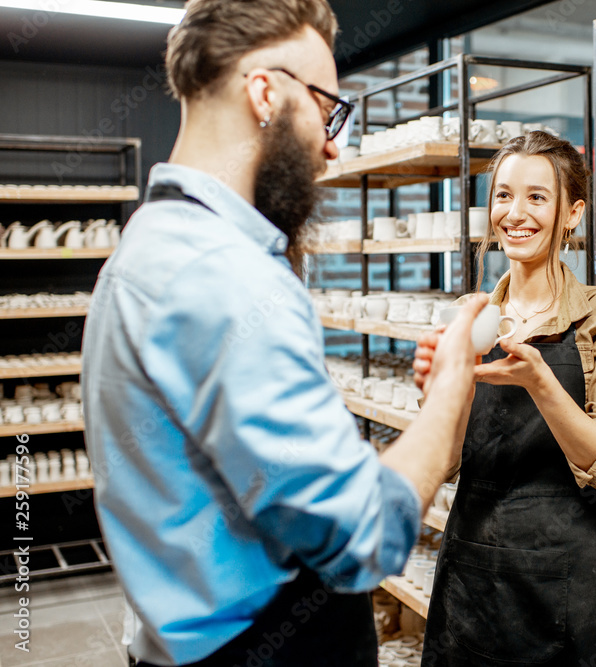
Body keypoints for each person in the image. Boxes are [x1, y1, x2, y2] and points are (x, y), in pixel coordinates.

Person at [80, 1, 487, 665]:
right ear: (265, 94)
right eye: (329, 110)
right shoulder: (226, 274)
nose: (333, 144)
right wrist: (450, 399)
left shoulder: (147, 246)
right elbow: (360, 536)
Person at [414, 131, 596, 666]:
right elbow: (449, 463)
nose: (514, 213)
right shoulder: (468, 317)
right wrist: (440, 394)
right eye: (503, 195)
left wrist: (540, 381)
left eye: (536, 197)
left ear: (572, 214)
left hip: (577, 585)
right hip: (471, 579)